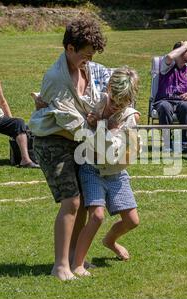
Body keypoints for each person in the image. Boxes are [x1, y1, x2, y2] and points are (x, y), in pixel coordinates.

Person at [29, 17, 107, 281]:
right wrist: (104, 141)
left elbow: (92, 107)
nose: (88, 60)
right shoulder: (56, 78)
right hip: (53, 141)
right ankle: (59, 266)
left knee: (83, 202)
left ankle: (76, 260)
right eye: (84, 55)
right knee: (71, 200)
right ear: (69, 48)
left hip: (77, 140)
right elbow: (73, 123)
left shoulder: (86, 68)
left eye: (91, 56)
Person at [72, 66, 140, 277]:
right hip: (91, 168)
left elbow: (113, 150)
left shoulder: (130, 117)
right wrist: (96, 121)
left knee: (132, 221)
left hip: (116, 172)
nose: (115, 107)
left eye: (122, 103)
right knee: (97, 217)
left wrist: (100, 124)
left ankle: (110, 240)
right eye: (114, 100)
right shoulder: (100, 101)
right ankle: (77, 264)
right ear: (109, 89)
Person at [153, 40, 187, 150]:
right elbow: (170, 56)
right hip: (164, 99)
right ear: (179, 52)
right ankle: (167, 142)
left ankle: (184, 141)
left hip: (183, 100)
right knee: (165, 107)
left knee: (186, 107)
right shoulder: (166, 66)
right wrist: (184, 46)